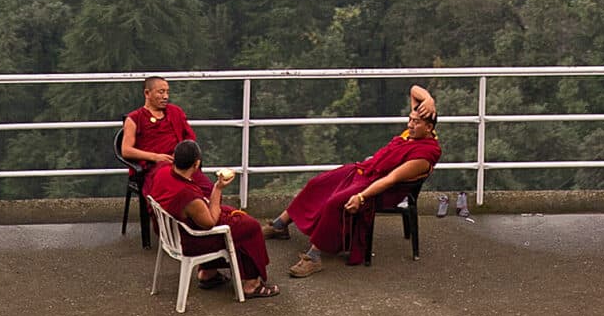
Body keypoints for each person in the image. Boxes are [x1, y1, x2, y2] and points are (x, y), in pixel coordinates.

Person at [265, 83, 444, 276]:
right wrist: (429, 100)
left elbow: (391, 179)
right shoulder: (413, 132)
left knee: (335, 203)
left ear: (429, 128)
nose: (410, 125)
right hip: (365, 171)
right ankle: (280, 225)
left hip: (379, 188)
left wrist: (361, 197)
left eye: (416, 122)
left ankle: (315, 256)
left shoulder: (424, 155)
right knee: (317, 184)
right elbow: (414, 89)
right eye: (410, 119)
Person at [144, 139, 279, 298]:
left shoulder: (162, 170)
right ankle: (251, 285)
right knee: (251, 228)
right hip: (190, 240)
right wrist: (218, 188)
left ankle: (208, 273)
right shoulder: (189, 197)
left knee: (233, 214)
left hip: (171, 233)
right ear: (196, 164)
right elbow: (210, 222)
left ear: (174, 157)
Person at [120, 76, 191, 176]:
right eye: (161, 92)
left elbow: (189, 139)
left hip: (180, 164)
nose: (166, 96)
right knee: (170, 177)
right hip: (153, 168)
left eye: (167, 92)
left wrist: (181, 154)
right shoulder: (134, 118)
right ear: (147, 93)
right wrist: (155, 157)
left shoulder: (175, 112)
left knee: (205, 185)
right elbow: (126, 150)